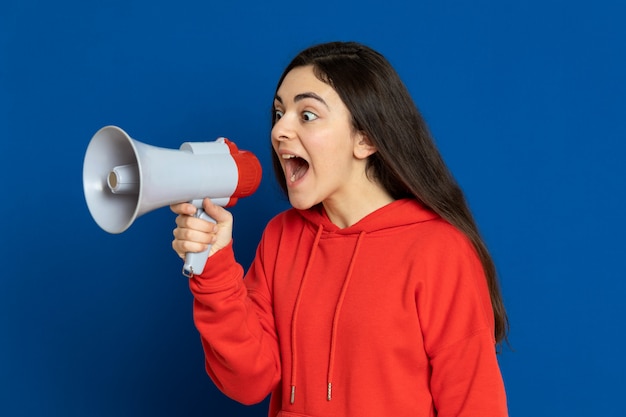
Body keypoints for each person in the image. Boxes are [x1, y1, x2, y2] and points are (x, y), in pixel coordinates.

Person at [171, 41, 509, 417]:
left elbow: (475, 404)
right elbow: (248, 382)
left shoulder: (440, 250)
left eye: (308, 115)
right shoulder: (281, 237)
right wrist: (214, 269)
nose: (279, 130)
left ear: (366, 139)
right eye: (279, 112)